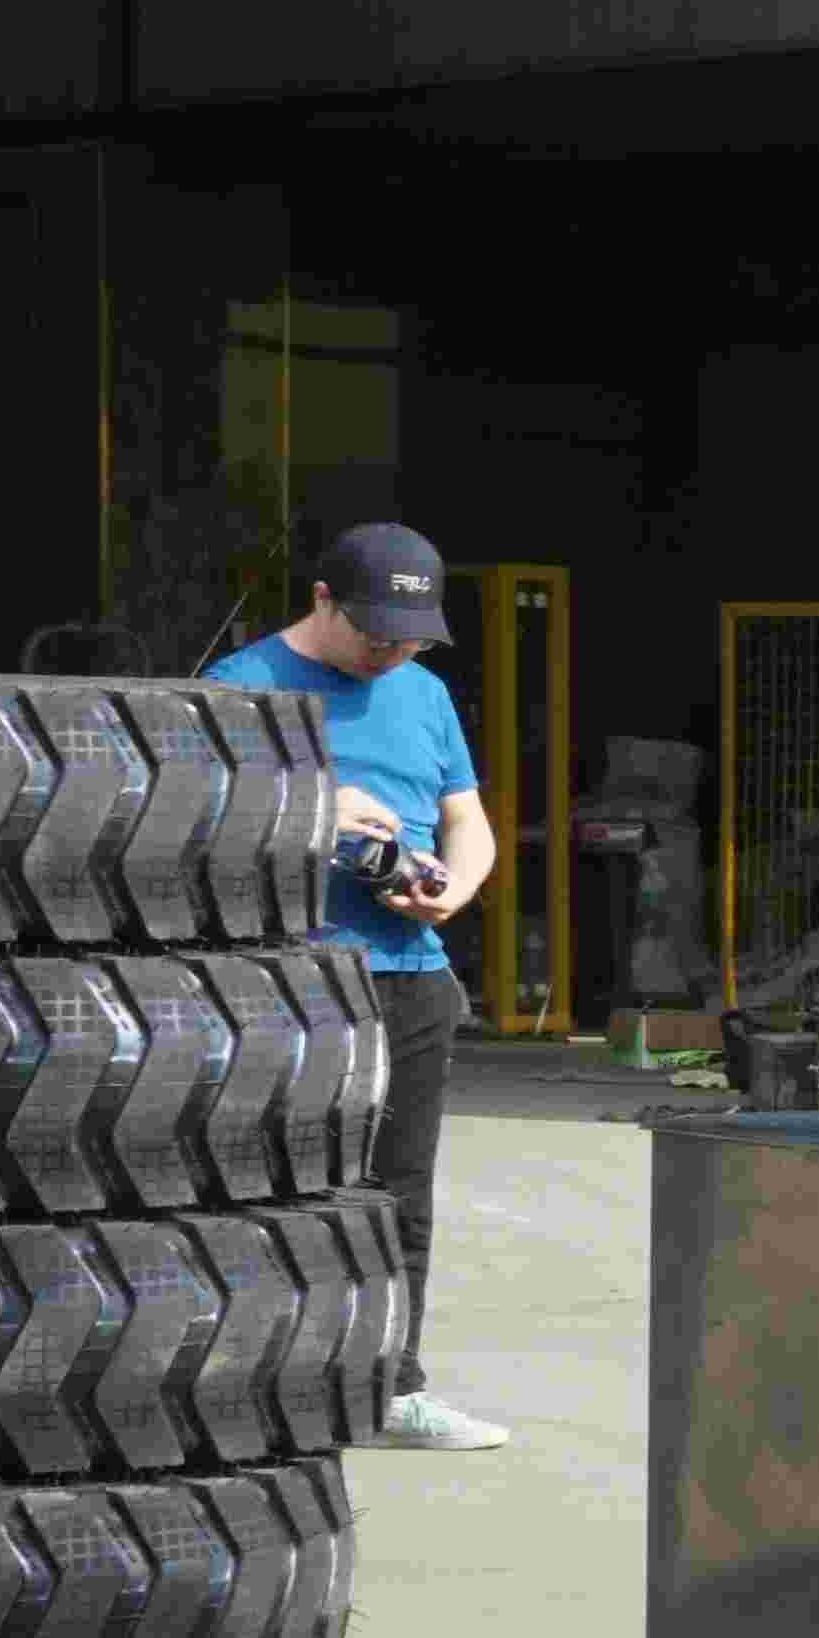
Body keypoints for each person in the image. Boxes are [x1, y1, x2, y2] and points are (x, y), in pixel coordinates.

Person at [213, 522, 510, 1452]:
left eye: (411, 638)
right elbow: (191, 826)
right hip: (287, 977)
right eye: (376, 633)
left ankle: (390, 1390)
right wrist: (315, 805)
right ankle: (253, 1390)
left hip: (411, 978)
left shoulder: (423, 692)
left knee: (398, 1195)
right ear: (322, 601)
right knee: (271, 1188)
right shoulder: (241, 686)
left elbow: (469, 821)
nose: (392, 653)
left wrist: (452, 891)